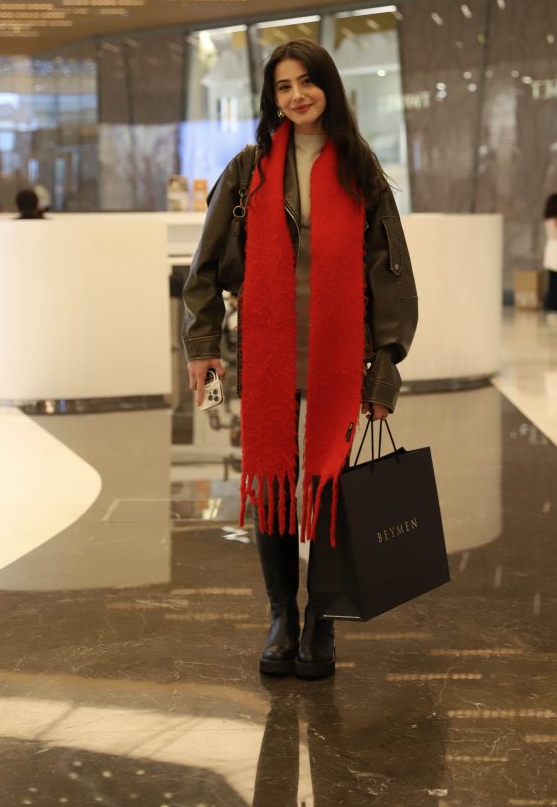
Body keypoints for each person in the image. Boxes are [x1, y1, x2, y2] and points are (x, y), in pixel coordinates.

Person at [182, 39, 418, 680]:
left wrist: (385, 365)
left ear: (328, 87)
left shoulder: (361, 170)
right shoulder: (249, 169)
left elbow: (392, 278)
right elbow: (205, 270)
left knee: (334, 486)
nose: (296, 96)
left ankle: (323, 620)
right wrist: (203, 346)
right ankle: (283, 614)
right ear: (272, 98)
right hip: (267, 352)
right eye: (283, 86)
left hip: (342, 355)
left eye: (306, 82)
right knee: (274, 482)